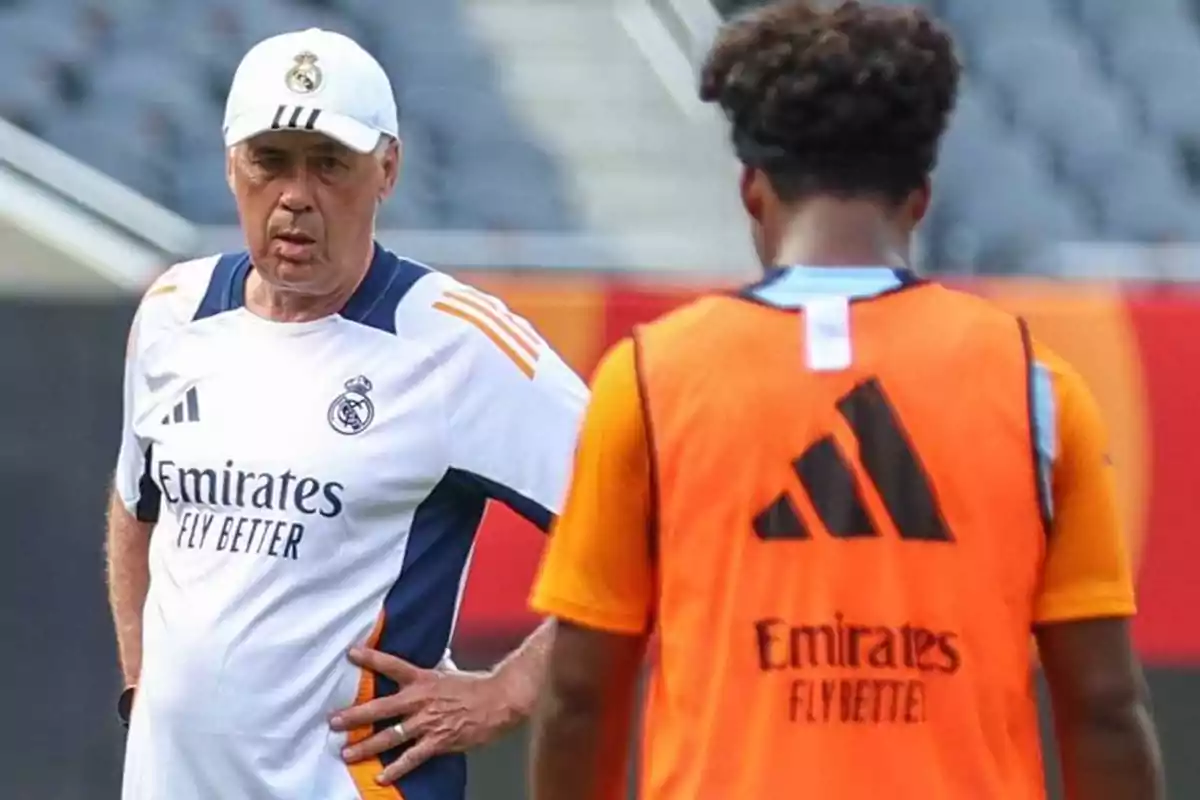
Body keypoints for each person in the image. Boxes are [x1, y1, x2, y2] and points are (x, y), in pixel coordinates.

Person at [527, 2, 1166, 799]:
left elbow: (582, 694)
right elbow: (1103, 705)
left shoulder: (649, 380)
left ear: (752, 191)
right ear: (922, 196)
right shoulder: (1039, 388)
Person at [105, 27, 587, 800]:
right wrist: (143, 681)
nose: (297, 195)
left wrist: (510, 691)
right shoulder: (173, 312)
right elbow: (137, 504)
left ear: (387, 168)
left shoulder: (458, 344)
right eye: (271, 161)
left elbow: (644, 524)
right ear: (231, 164)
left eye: (330, 164)